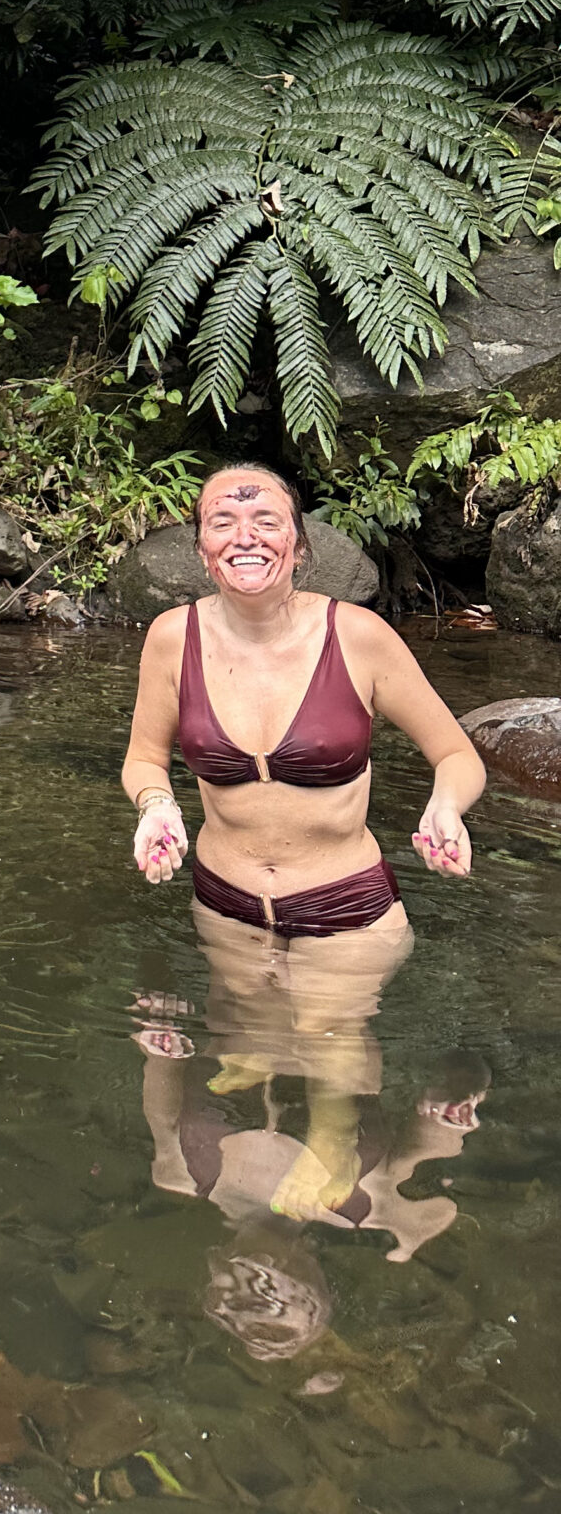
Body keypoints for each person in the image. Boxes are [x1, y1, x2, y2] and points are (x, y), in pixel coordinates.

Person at [120, 460, 485, 1214]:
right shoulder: (171, 639)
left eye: (266, 521)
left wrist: (445, 807)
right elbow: (144, 758)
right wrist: (156, 806)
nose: (245, 536)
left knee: (329, 1030)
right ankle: (262, 1060)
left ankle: (335, 1136)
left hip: (344, 906)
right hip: (225, 904)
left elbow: (456, 754)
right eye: (223, 522)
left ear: (299, 544)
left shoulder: (359, 637)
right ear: (201, 548)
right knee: (243, 1029)